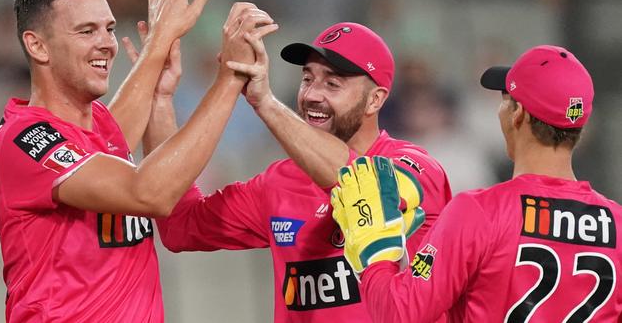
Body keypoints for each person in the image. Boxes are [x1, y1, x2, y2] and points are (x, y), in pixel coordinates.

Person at [0, 0, 278, 321]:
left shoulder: (99, 134)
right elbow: (149, 193)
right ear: (38, 46)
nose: (106, 43)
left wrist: (159, 91)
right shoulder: (24, 138)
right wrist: (230, 77)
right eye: (86, 31)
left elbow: (119, 125)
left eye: (109, 28)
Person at [156, 22, 452, 322]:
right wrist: (160, 99)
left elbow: (365, 187)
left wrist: (267, 104)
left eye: (332, 84)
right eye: (307, 79)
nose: (312, 94)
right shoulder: (279, 182)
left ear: (375, 99)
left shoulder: (415, 167)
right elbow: (177, 224)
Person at [331, 45, 622, 322]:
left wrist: (375, 254)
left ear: (518, 114)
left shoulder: (479, 213)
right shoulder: (618, 225)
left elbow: (400, 313)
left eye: (504, 99)